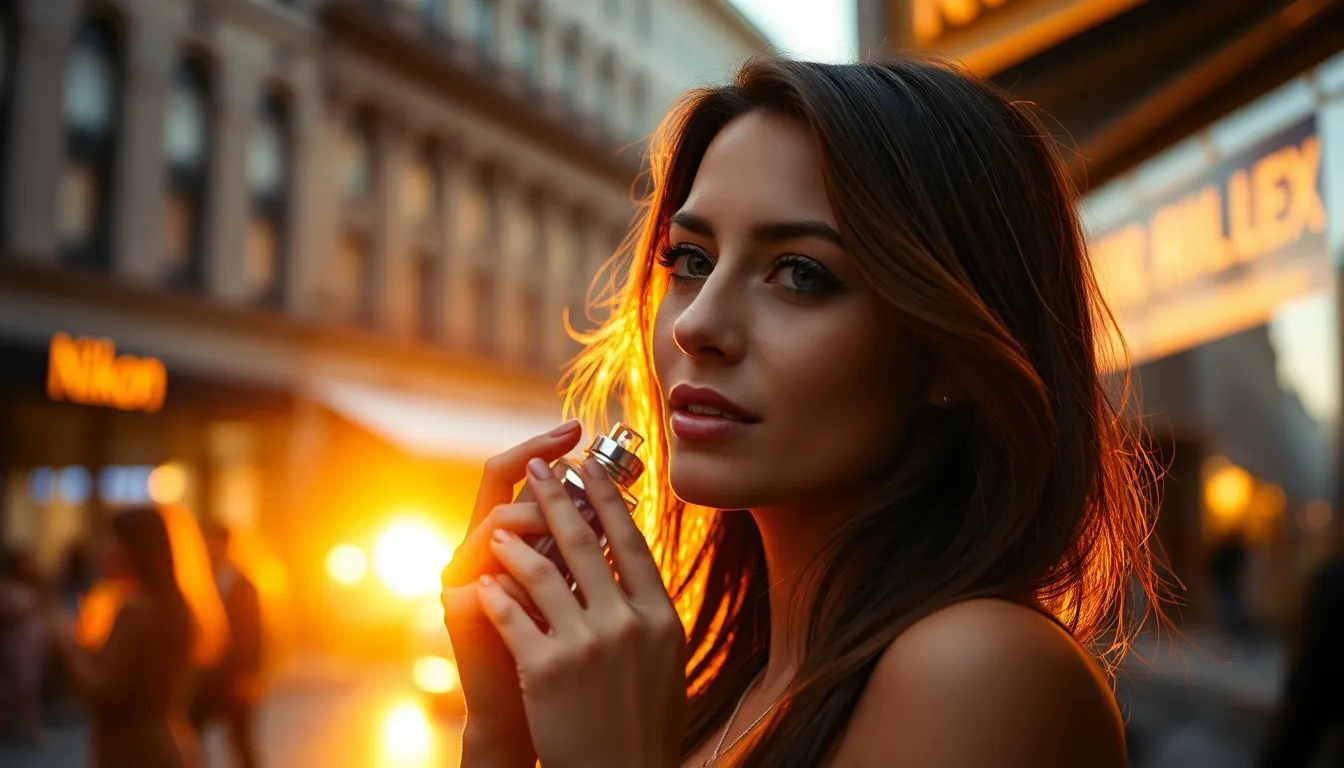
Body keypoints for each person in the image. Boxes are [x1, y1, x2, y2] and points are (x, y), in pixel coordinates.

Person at [441, 55, 1160, 767]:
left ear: (950, 355)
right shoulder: (736, 688)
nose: (697, 325)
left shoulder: (980, 671)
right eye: (691, 260)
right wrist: (502, 736)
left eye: (799, 275)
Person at [46, 505, 228, 768]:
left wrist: (68, 643)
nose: (104, 549)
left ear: (135, 549)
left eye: (112, 540)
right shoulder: (175, 608)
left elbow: (107, 691)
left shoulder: (137, 610)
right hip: (172, 742)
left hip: (135, 751)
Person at [1259, 553, 1344, 768]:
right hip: (1317, 680)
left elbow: (1304, 636)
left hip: (1317, 681)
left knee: (1293, 742)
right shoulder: (1330, 578)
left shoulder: (1330, 577)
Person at [190, 520, 263, 768]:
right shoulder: (202, 580)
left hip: (235, 675)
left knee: (240, 739)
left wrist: (248, 675)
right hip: (208, 675)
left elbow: (253, 634)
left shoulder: (243, 584)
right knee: (192, 733)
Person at [0, 548, 50, 745]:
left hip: (29, 644)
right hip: (16, 644)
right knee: (22, 686)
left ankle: (24, 726)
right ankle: (30, 729)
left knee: (26, 686)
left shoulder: (31, 586)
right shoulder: (7, 588)